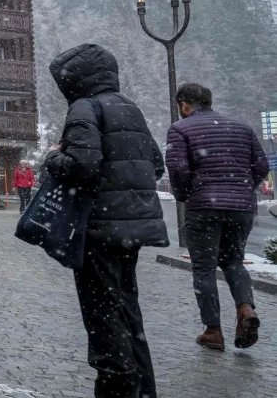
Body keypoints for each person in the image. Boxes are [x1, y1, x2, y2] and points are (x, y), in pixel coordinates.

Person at [43, 44, 168, 398]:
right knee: (128, 313)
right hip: (132, 229)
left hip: (98, 229)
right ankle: (144, 391)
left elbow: (83, 166)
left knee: (104, 320)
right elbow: (155, 165)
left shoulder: (85, 107)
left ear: (76, 80)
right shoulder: (130, 108)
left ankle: (116, 389)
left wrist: (55, 159)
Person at [165, 83, 269, 350]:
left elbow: (177, 169)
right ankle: (246, 309)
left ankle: (213, 331)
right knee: (234, 261)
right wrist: (243, 189)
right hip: (241, 206)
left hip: (204, 206)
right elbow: (261, 167)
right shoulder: (243, 129)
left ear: (184, 105)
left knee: (204, 268)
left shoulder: (180, 129)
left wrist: (186, 194)